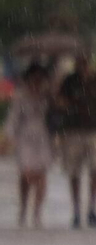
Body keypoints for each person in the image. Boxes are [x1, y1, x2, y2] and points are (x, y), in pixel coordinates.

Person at [56, 51, 96, 228]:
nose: (82, 65)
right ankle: (76, 210)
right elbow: (59, 102)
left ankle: (92, 208)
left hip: (95, 130)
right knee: (74, 171)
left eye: (85, 61)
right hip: (74, 131)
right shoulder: (69, 81)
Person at [6, 63, 54, 228]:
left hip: (43, 137)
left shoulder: (47, 95)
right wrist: (9, 137)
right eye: (34, 77)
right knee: (26, 173)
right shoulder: (20, 96)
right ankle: (23, 207)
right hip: (25, 137)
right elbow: (13, 117)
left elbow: (56, 114)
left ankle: (37, 212)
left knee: (41, 174)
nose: (37, 81)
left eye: (40, 78)